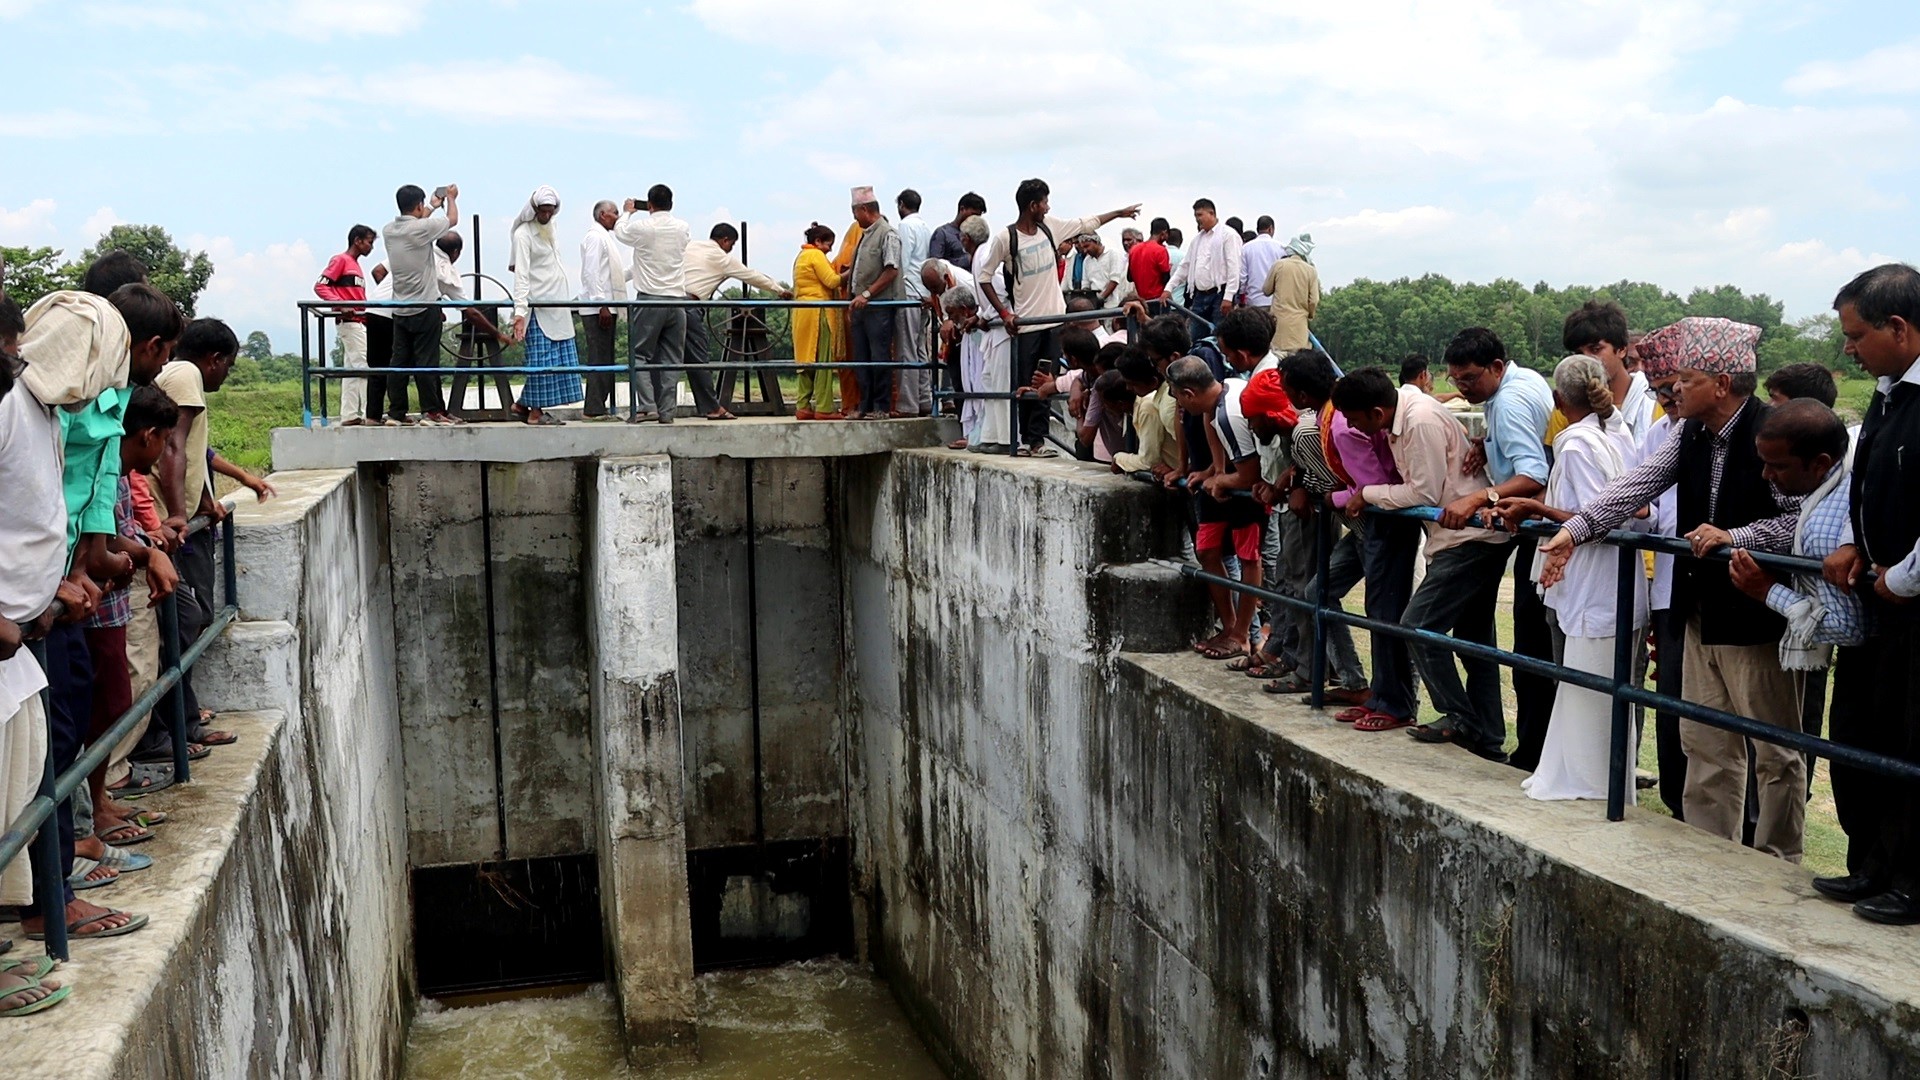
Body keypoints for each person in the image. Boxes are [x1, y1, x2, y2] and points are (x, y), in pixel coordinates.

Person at [1538, 316, 1807, 861]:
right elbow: (1633, 487)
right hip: (1698, 606)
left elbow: (1801, 520)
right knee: (1704, 741)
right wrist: (1574, 529)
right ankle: (1712, 855)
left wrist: (1737, 536)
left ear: (1722, 383)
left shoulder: (1773, 432)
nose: (1674, 389)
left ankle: (1779, 860)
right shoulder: (1688, 433)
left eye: (1685, 379)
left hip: (1753, 610)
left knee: (1775, 749)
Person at [17, 288, 150, 948]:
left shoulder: (50, 411)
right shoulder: (22, 411)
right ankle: (48, 899)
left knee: (57, 742)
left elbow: (67, 506)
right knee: (42, 751)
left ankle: (52, 889)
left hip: (50, 606)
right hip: (25, 617)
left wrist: (73, 574)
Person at [1334, 364, 1513, 762]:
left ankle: (1462, 718)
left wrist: (1369, 492)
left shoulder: (1417, 421)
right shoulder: (1407, 412)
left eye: (1357, 419)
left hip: (1468, 540)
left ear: (1377, 413)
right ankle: (1487, 738)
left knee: (1416, 626)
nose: (1355, 427)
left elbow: (1425, 493)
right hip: (1462, 538)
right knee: (1475, 642)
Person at [1494, 356, 1647, 800]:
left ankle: (1591, 785)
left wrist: (1537, 510)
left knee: (1589, 684)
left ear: (1559, 400)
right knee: (1591, 685)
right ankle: (1590, 778)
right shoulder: (1616, 432)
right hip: (1613, 579)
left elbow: (1595, 517)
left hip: (1594, 580)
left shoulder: (1579, 444)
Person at [1722, 401, 1862, 880]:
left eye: (1777, 465)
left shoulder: (1839, 503)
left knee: (1854, 767)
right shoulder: (1824, 493)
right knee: (1847, 768)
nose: (1766, 476)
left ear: (1819, 463)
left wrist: (1768, 592)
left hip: (1872, 654)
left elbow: (1844, 623)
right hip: (1855, 658)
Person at [1824, 264, 1920, 922]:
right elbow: (1873, 488)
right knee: (1865, 732)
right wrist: (1859, 543)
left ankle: (1912, 881)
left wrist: (1903, 576)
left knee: (1912, 742)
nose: (1849, 349)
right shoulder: (1889, 396)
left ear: (1899, 328)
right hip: (1878, 598)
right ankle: (1871, 864)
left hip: (1912, 603)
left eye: (1856, 335)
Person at [1437, 328, 1555, 769]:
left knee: (1531, 651)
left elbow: (1532, 474)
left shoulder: (1505, 404)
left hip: (1537, 532)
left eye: (1469, 379)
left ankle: (1531, 754)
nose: (1463, 388)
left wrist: (1477, 497)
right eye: (1455, 379)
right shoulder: (1526, 382)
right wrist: (1482, 442)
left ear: (1497, 368)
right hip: (1546, 530)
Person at [1282, 349, 1418, 726]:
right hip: (1365, 527)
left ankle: (1397, 703)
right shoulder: (1332, 419)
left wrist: (1333, 497)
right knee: (1321, 593)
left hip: (1381, 525)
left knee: (1385, 614)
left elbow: (1373, 485)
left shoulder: (1340, 426)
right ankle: (1367, 688)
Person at [977, 178, 1140, 456]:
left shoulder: (1049, 226)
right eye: (1044, 202)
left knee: (1045, 380)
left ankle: (1037, 441)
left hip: (1053, 322)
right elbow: (984, 277)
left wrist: (1118, 214)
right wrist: (1005, 313)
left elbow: (1085, 223)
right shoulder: (1007, 238)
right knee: (1025, 383)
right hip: (1026, 324)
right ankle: (1026, 439)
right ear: (1032, 205)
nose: (1047, 207)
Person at [1168, 356, 1266, 659]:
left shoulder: (1230, 413)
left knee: (1248, 557)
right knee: (1207, 549)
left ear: (1188, 394)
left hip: (1249, 493)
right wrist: (1214, 471)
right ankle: (1229, 625)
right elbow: (1214, 430)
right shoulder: (1221, 395)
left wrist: (1223, 480)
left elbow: (1250, 475)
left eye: (1178, 399)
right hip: (1226, 483)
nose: (1180, 408)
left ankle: (1242, 635)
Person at [684, 223, 793, 421]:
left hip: (668, 302)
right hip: (690, 307)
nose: (731, 249)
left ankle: (657, 408)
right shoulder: (721, 258)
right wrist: (779, 290)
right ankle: (712, 408)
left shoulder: (692, 246)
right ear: (724, 240)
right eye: (731, 245)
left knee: (664, 358)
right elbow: (751, 276)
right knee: (698, 358)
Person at [381, 182, 461, 426]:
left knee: (399, 364)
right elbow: (453, 220)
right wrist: (451, 198)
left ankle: (396, 413)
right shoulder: (422, 228)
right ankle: (432, 411)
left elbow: (417, 223)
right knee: (427, 362)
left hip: (400, 308)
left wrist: (431, 207)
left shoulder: (389, 231)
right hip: (425, 305)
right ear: (417, 204)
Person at [615, 184, 693, 424]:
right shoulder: (683, 228)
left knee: (639, 354)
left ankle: (648, 406)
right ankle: (667, 412)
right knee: (672, 359)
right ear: (671, 203)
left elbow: (620, 232)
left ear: (648, 205)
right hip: (677, 301)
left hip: (650, 299)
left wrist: (627, 211)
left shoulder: (643, 227)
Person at [506, 186, 581, 426]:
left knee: (558, 361)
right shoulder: (523, 235)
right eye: (543, 211)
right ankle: (535, 412)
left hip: (557, 304)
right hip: (537, 306)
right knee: (540, 361)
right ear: (534, 209)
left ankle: (522, 404)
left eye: (551, 211)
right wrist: (519, 313)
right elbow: (522, 276)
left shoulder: (551, 228)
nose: (546, 216)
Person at [1555, 300, 1657, 445]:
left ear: (1621, 350)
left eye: (1595, 349)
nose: (1587, 360)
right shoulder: (1567, 404)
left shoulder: (1655, 404)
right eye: (1579, 353)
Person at [436, 231, 509, 422]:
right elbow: (471, 312)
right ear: (456, 252)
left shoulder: (425, 256)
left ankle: (434, 411)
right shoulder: (447, 271)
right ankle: (436, 411)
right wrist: (497, 333)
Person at [846, 186, 903, 421]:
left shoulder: (887, 234)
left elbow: (891, 270)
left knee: (879, 356)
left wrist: (867, 294)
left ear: (865, 209)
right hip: (861, 307)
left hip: (878, 306)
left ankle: (880, 406)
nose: (854, 218)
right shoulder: (865, 234)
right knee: (862, 356)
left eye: (855, 212)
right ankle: (865, 405)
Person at [315, 225, 376, 425]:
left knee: (351, 369)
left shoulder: (356, 266)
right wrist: (340, 306)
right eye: (369, 242)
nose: (371, 247)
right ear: (357, 240)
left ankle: (349, 414)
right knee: (364, 366)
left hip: (358, 320)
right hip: (351, 321)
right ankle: (370, 413)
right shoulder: (341, 260)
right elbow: (321, 286)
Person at [578, 200, 630, 421]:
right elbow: (591, 272)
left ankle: (600, 406)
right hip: (599, 308)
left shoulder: (605, 238)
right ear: (602, 215)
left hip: (606, 306)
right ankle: (593, 409)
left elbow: (611, 276)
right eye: (614, 213)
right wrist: (602, 305)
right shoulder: (595, 237)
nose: (617, 217)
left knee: (606, 358)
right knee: (599, 358)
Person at [1165, 198, 1243, 339]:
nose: (1197, 219)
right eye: (1196, 216)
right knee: (1196, 336)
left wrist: (1229, 296)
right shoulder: (1197, 240)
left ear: (1211, 213)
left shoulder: (1228, 235)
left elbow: (1234, 267)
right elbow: (1185, 266)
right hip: (1200, 295)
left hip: (1220, 293)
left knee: (1221, 336)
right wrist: (1168, 288)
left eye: (1200, 215)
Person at [791, 224, 844, 421]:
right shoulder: (815, 256)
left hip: (801, 312)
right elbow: (831, 281)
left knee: (806, 362)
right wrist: (848, 273)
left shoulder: (801, 257)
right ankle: (824, 407)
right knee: (823, 361)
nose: (830, 249)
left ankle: (803, 406)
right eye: (828, 244)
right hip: (818, 313)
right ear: (818, 242)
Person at [893, 189, 936, 417]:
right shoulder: (926, 227)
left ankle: (908, 404)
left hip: (909, 292)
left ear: (901, 205)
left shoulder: (905, 226)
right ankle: (924, 399)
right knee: (920, 349)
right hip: (925, 292)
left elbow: (904, 262)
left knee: (907, 349)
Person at [1112, 347, 1180, 477]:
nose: (1128, 388)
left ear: (1154, 381)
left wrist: (1118, 458)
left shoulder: (1166, 405)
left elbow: (1148, 461)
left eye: (1132, 384)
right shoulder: (1159, 397)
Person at [1263, 234, 1319, 353]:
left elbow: (1266, 290)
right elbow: (1314, 300)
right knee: (1298, 362)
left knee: (1277, 359)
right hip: (1299, 326)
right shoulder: (1311, 270)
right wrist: (1309, 315)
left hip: (1278, 325)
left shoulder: (1279, 265)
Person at [928, 192, 985, 275]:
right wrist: (966, 260)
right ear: (962, 209)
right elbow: (934, 267)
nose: (975, 219)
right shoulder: (942, 233)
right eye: (973, 215)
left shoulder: (977, 236)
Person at [1066, 233, 1126, 310]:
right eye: (1083, 247)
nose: (1085, 250)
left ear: (1096, 242)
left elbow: (1114, 280)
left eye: (1087, 246)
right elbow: (1086, 284)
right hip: (1095, 306)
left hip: (1113, 304)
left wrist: (1101, 297)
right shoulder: (1087, 260)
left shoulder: (1113, 254)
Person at [1128, 218, 1173, 315]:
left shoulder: (1134, 249)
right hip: (1158, 301)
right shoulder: (1160, 250)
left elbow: (1129, 277)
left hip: (1141, 302)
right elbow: (1165, 279)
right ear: (1164, 233)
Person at [1239, 216, 1285, 309]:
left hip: (1254, 301)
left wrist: (1241, 297)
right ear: (1271, 229)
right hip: (1276, 301)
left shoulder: (1246, 248)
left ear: (1257, 229)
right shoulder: (1281, 248)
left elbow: (1243, 277)